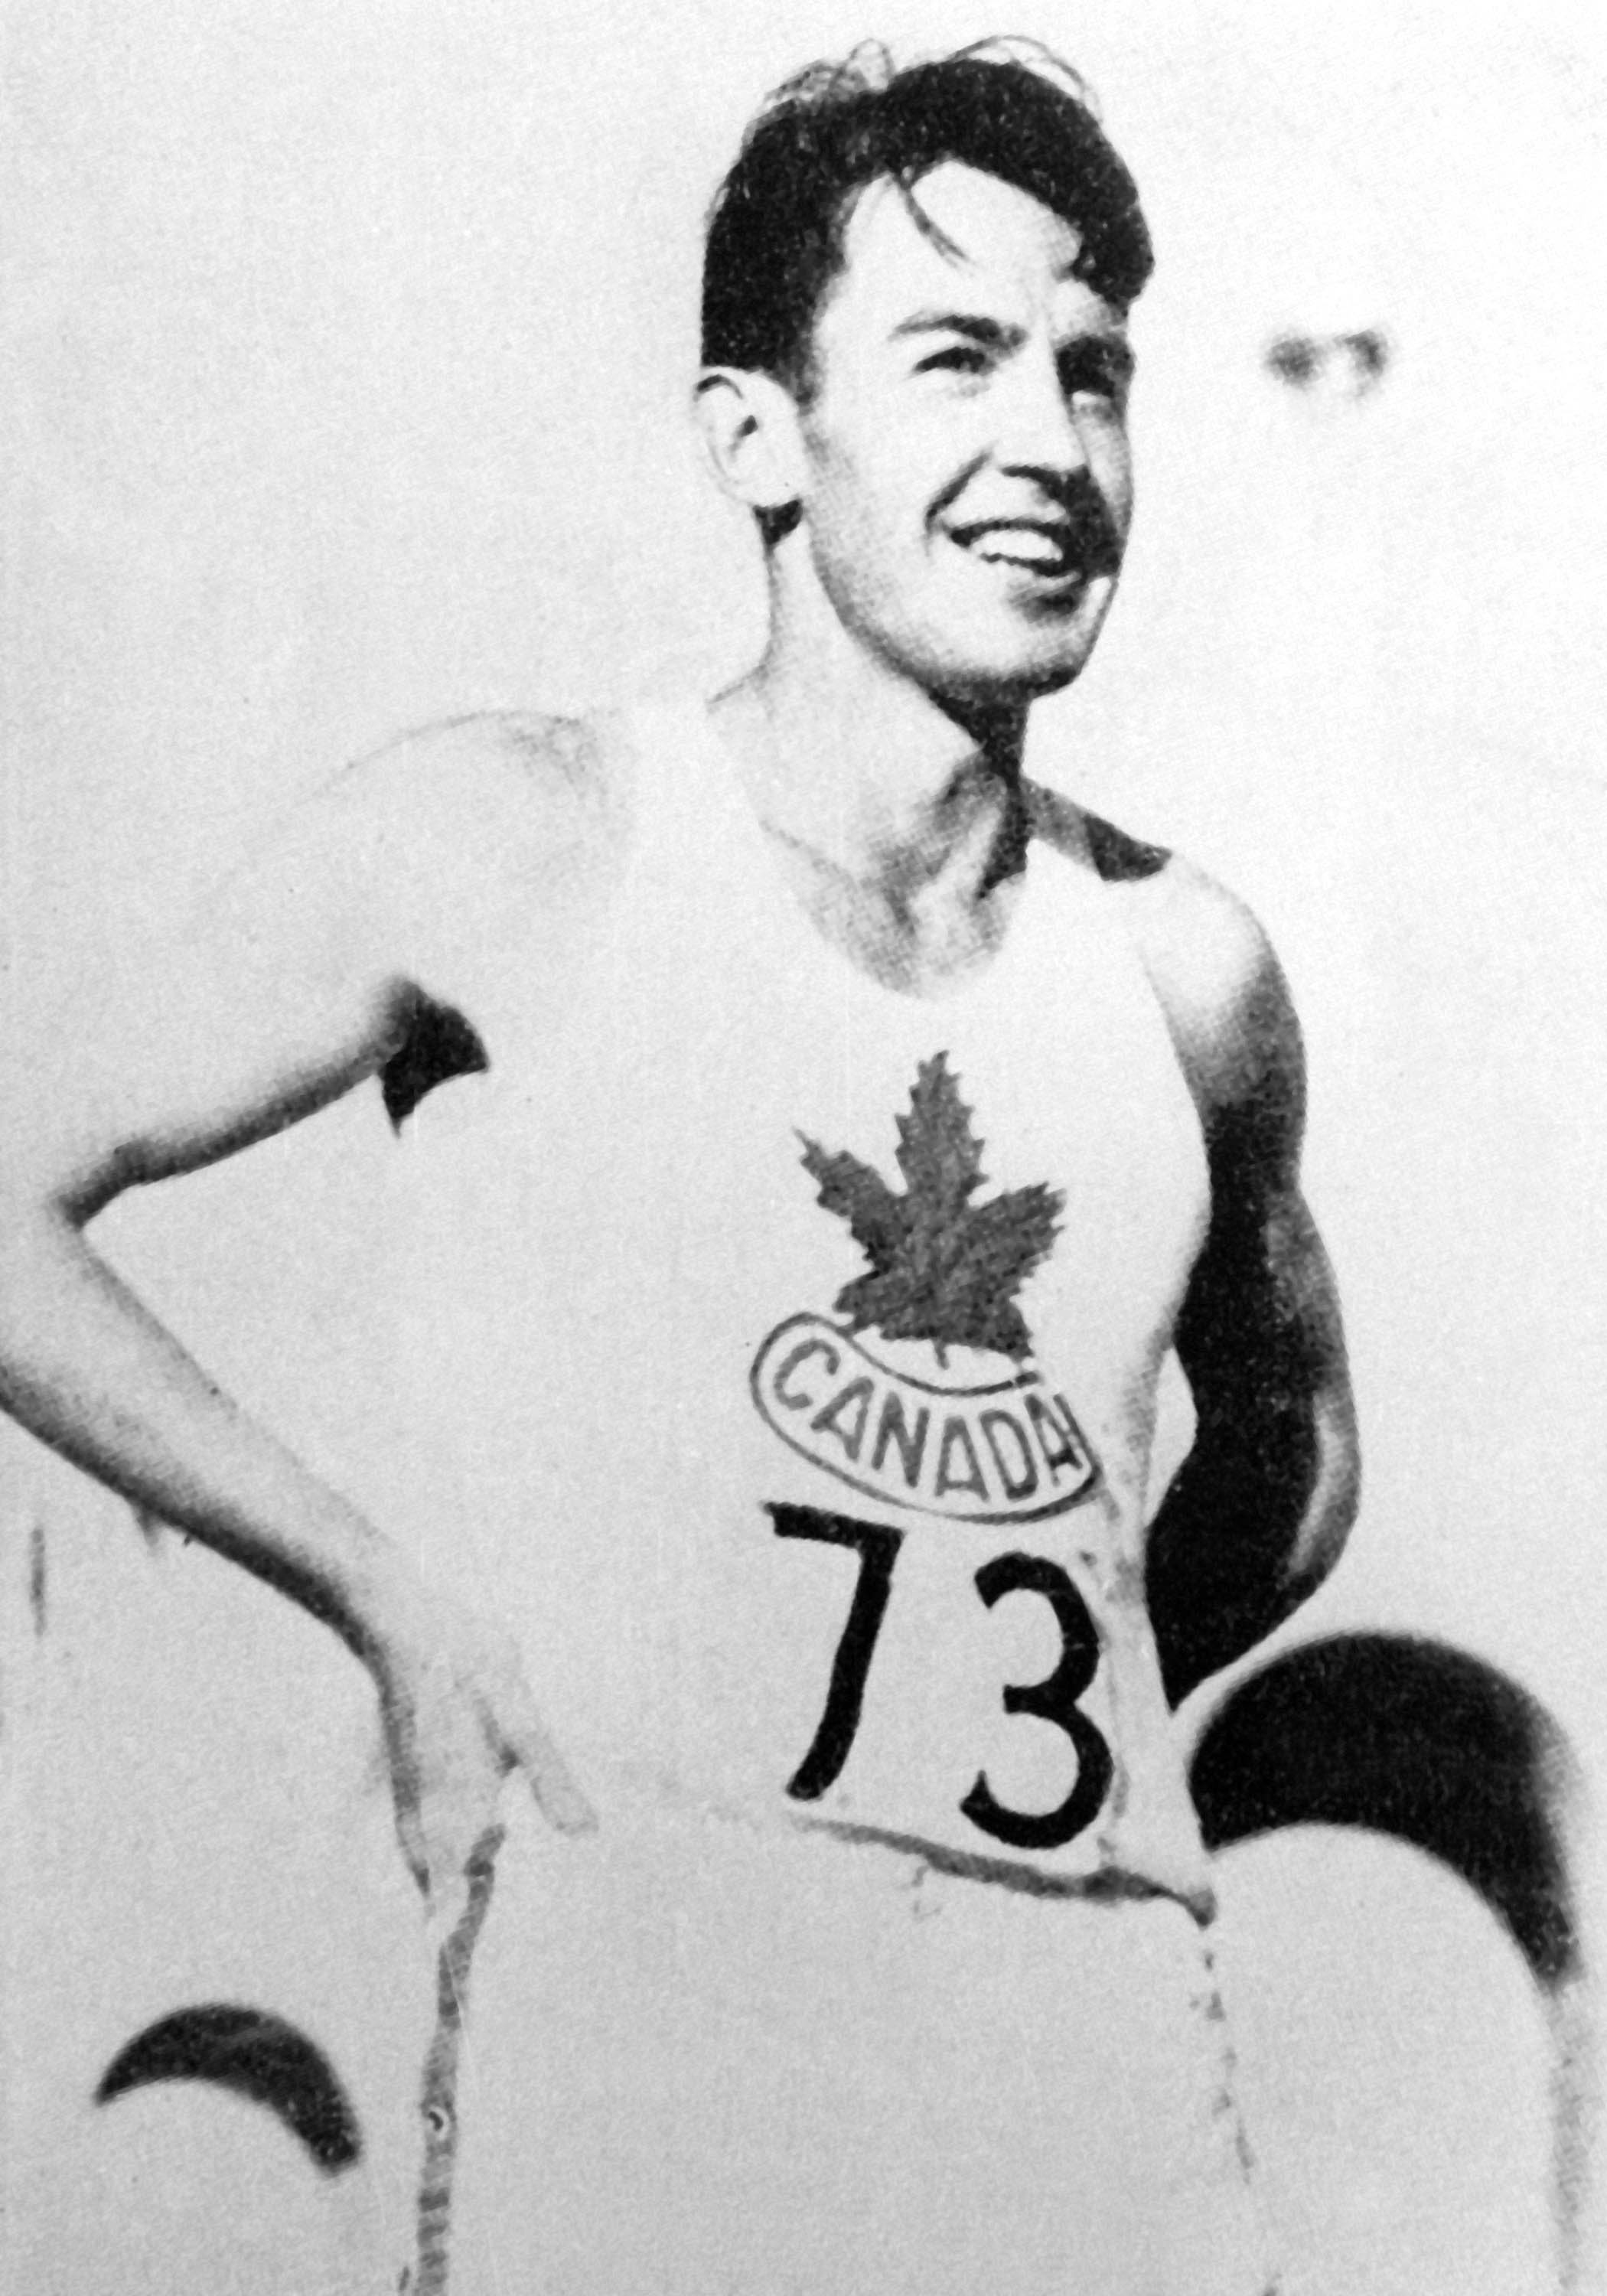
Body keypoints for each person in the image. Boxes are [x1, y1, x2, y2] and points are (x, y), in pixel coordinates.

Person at [0, 41, 1360, 2295]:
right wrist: (388, 1597)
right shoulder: (521, 838)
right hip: (660, 2000)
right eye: (955, 360)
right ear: (754, 433)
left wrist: (1043, 1679)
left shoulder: (1186, 970)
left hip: (1100, 2048)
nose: (1049, 443)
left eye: (1093, 374)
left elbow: (1290, 1455)